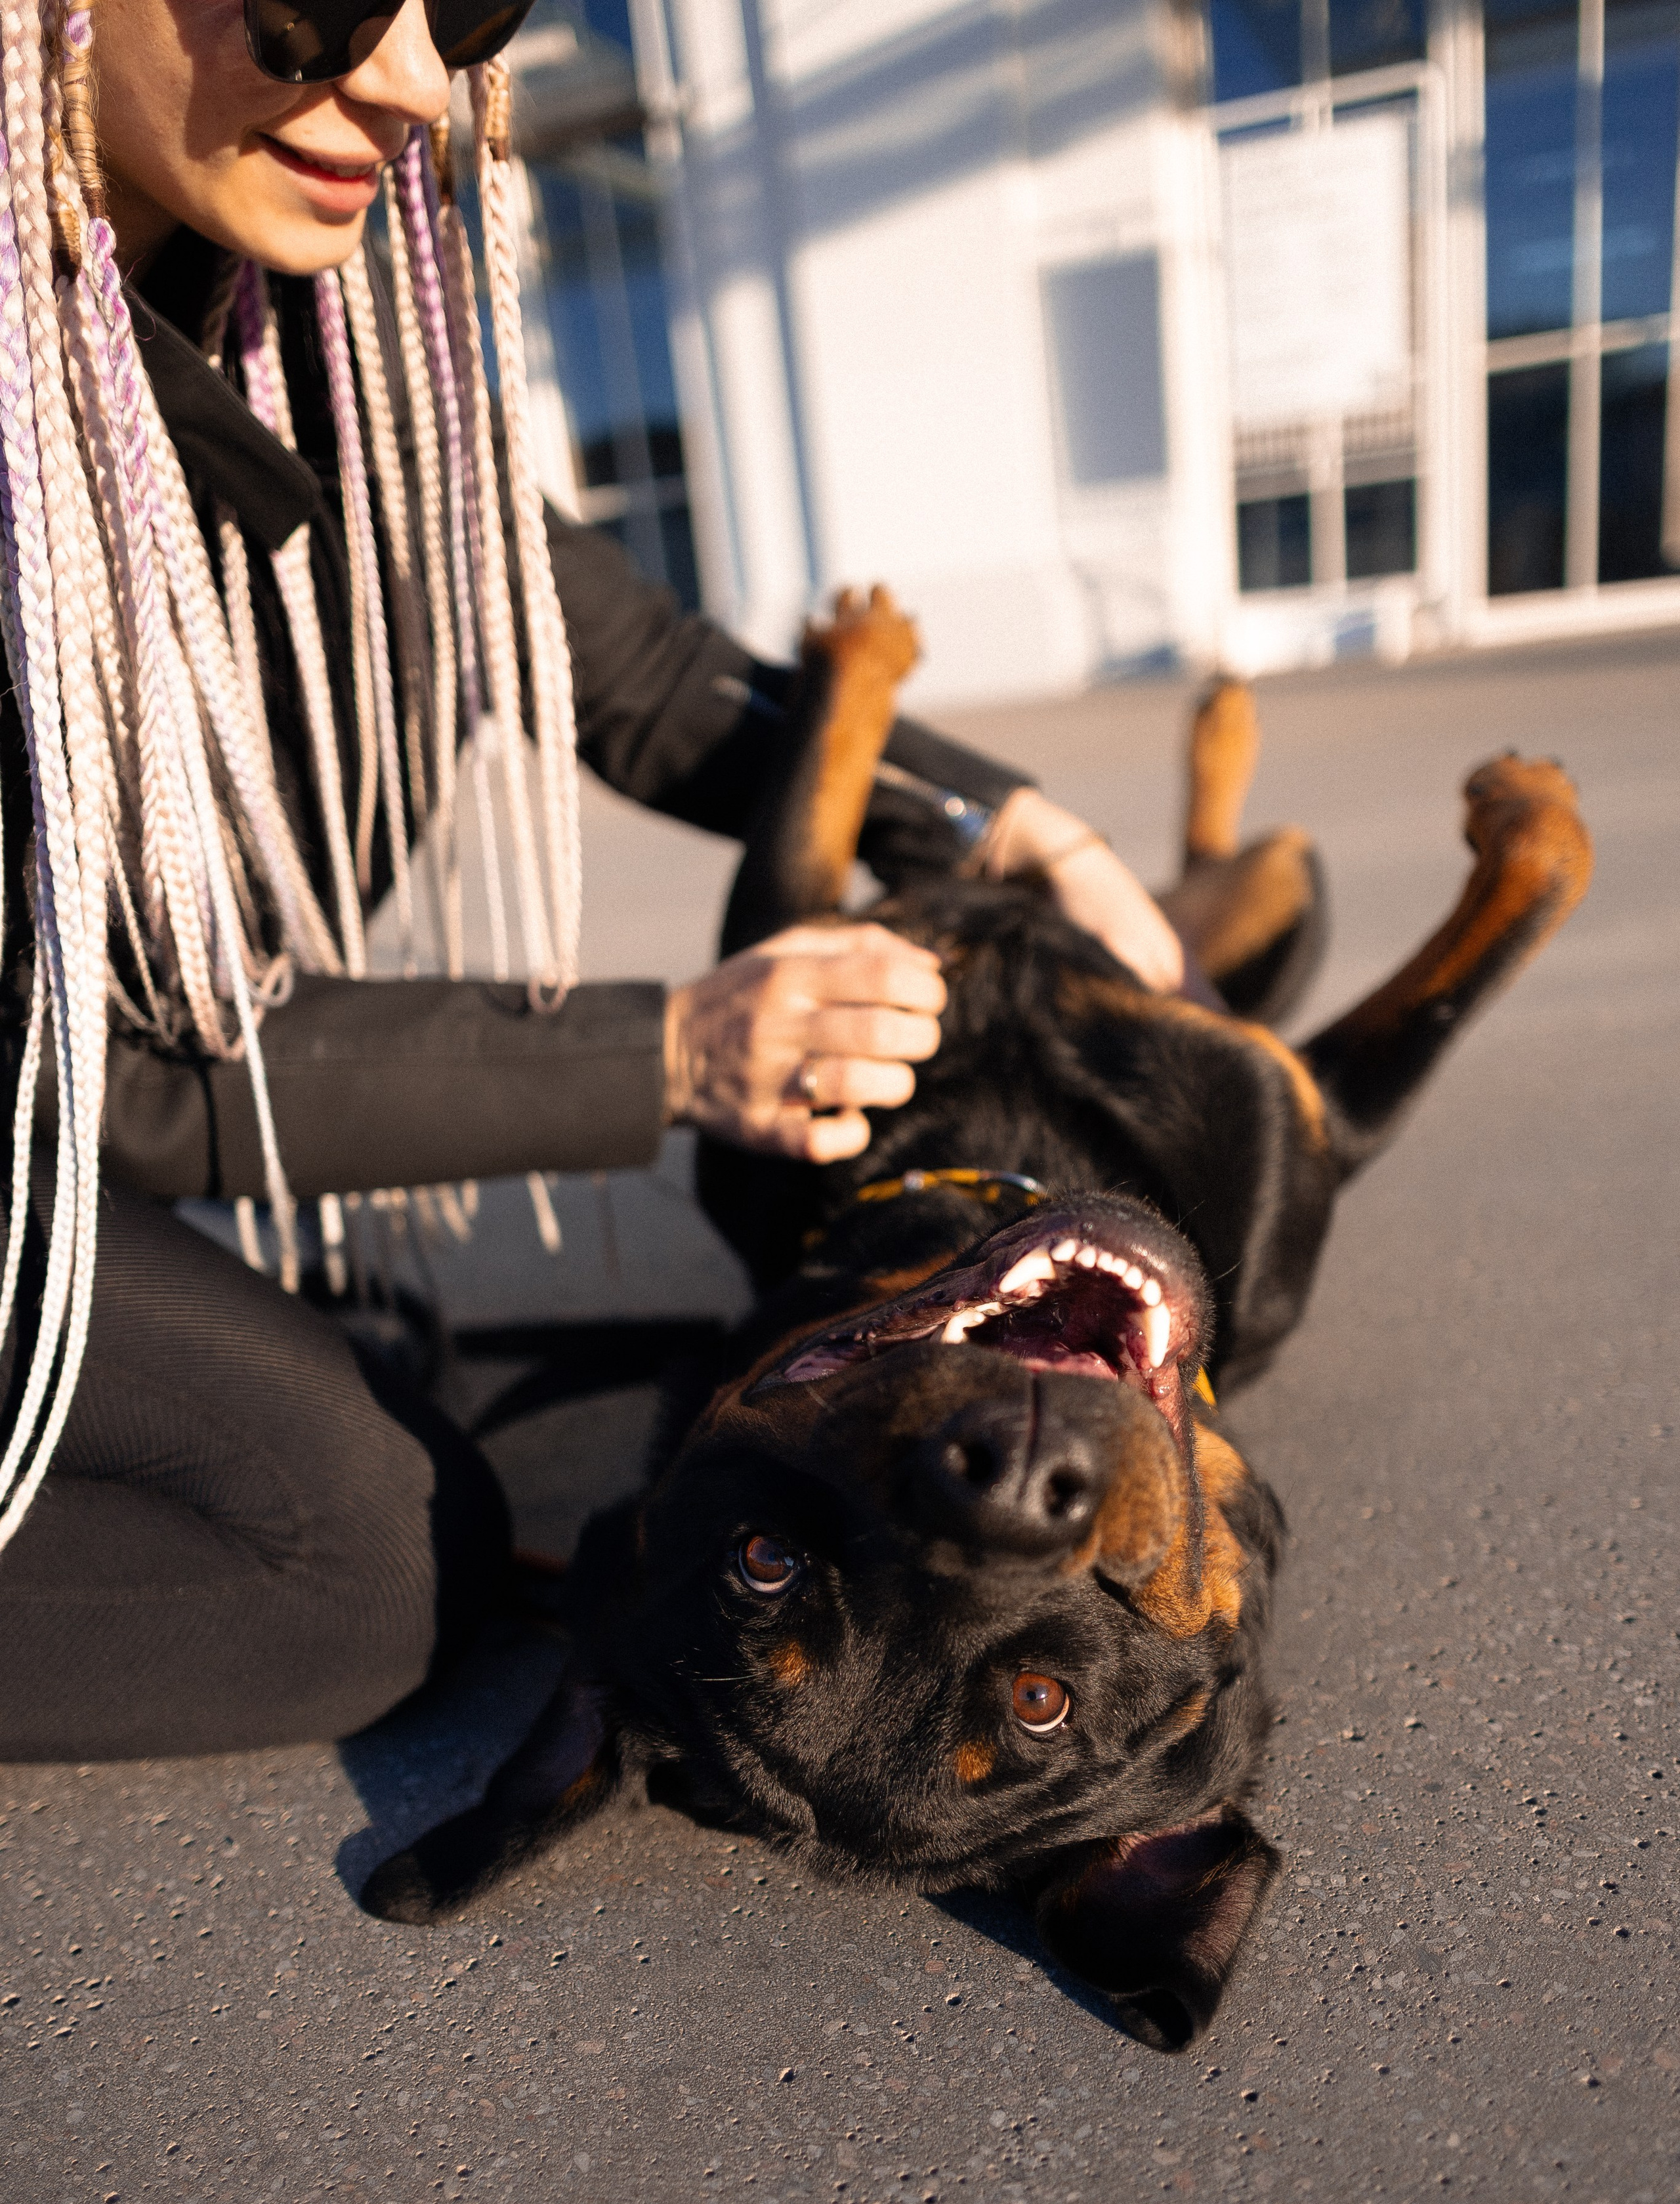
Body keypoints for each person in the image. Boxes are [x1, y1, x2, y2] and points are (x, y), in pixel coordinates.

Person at [0, 0, 1188, 1760]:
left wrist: (1006, 823)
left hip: (103, 1096)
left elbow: (608, 656)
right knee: (357, 1568)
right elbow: (104, 1060)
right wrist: (680, 1055)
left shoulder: (317, 313)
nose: (411, 79)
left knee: (429, 1460)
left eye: (468, 5)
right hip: (53, 1088)